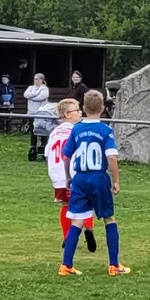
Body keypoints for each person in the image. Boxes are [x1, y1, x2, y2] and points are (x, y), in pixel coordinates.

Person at [58, 89, 128, 276]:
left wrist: (68, 177)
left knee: (77, 220)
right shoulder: (105, 130)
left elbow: (66, 156)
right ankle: (114, 265)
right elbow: (111, 157)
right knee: (109, 218)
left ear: (83, 108)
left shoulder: (76, 129)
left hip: (80, 178)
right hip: (98, 177)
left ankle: (66, 265)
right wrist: (116, 181)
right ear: (103, 108)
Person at [45, 97, 97, 255]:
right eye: (77, 110)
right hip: (73, 174)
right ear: (67, 114)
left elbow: (48, 153)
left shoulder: (54, 133)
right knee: (86, 202)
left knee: (65, 205)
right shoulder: (76, 131)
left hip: (57, 176)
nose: (80, 112)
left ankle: (67, 236)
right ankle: (88, 228)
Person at [24, 73, 53, 160]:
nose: (36, 81)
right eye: (35, 79)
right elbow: (26, 95)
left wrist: (32, 96)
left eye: (37, 79)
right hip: (31, 113)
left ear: (41, 80)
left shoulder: (44, 89)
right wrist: (35, 94)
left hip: (41, 114)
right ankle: (33, 146)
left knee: (43, 131)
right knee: (33, 131)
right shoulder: (30, 88)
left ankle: (44, 146)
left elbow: (41, 97)